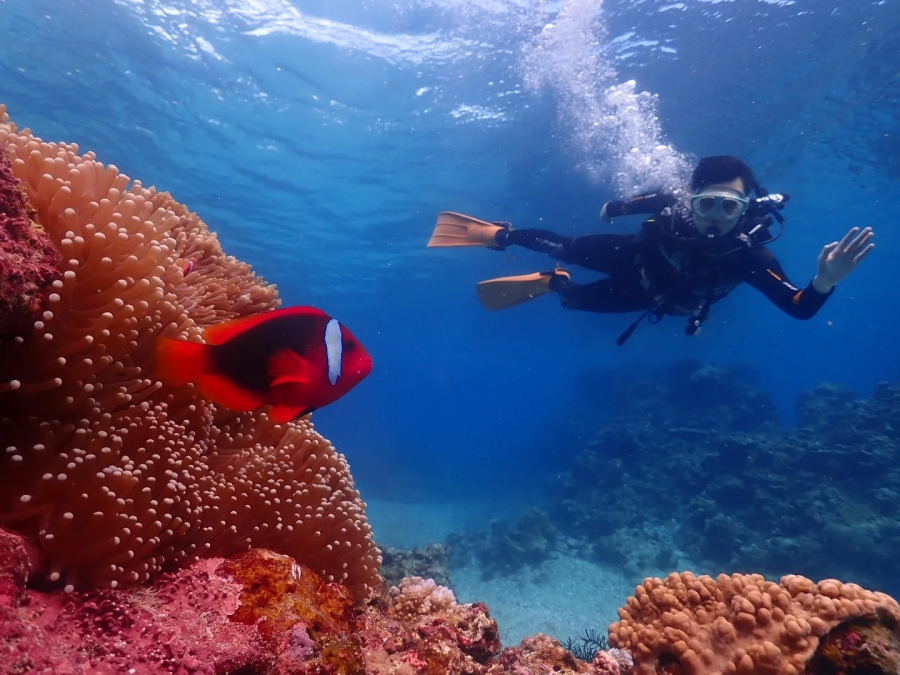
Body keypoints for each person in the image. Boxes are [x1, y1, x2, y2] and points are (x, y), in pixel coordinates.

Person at [427, 156, 874, 344]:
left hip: (650, 297)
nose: (716, 217)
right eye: (706, 204)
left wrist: (824, 282)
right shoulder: (674, 206)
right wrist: (616, 207)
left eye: (730, 206)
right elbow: (653, 199)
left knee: (573, 300)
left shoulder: (748, 257)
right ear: (691, 200)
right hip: (632, 255)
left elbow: (799, 308)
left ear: (746, 208)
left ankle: (554, 282)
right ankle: (501, 236)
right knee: (562, 244)